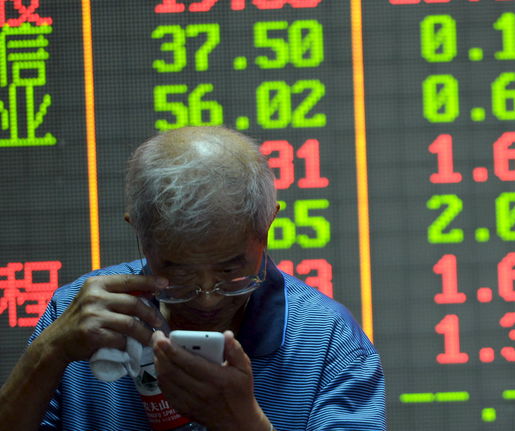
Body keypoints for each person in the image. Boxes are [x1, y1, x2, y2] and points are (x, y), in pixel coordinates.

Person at [0, 126, 386, 430]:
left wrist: (244, 426)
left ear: (266, 229)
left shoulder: (328, 341)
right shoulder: (75, 316)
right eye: (176, 272)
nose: (207, 299)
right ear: (140, 234)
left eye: (230, 270)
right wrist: (47, 355)